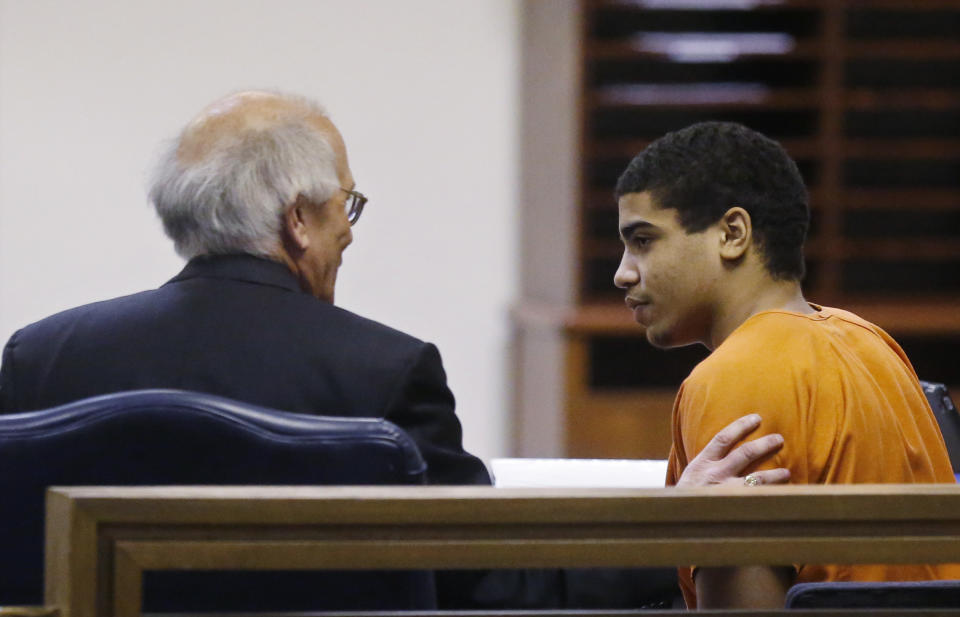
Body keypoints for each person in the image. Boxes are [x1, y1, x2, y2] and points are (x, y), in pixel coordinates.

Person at [1, 92, 781, 607]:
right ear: (300, 220)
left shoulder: (39, 360)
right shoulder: (382, 373)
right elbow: (491, 590)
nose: (348, 230)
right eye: (346, 204)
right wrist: (680, 528)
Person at [613, 121, 960, 609]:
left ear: (732, 234)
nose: (622, 273)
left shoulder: (731, 377)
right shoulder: (874, 342)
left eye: (643, 240)